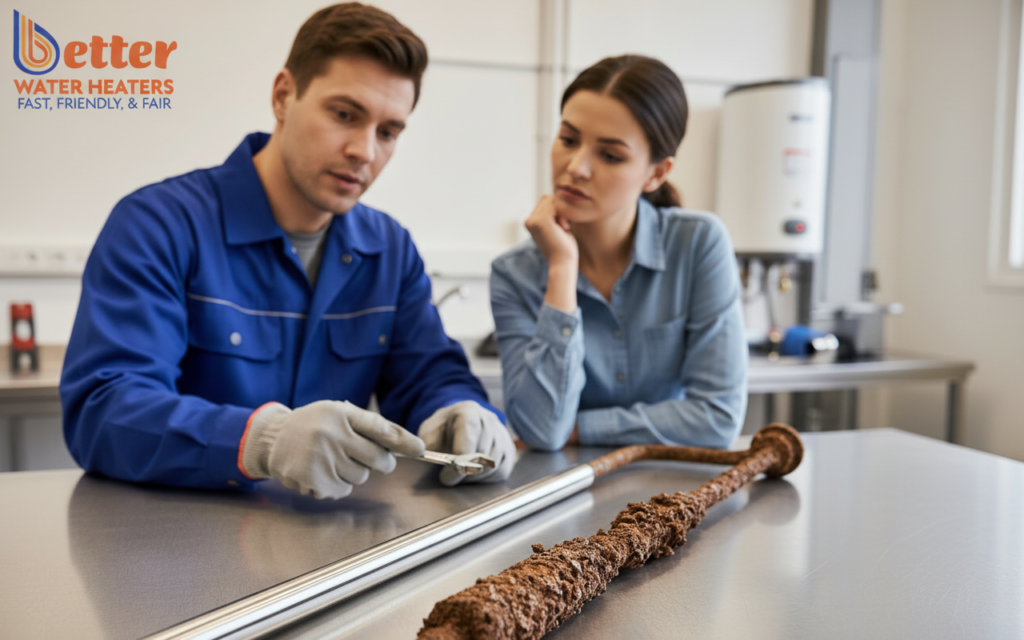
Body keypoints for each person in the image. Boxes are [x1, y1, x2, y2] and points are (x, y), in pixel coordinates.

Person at [60, 3, 515, 499]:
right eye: (344, 114)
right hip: (177, 553)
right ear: (283, 96)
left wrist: (463, 413)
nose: (365, 151)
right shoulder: (159, 225)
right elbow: (102, 411)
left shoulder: (390, 250)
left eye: (387, 132)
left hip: (334, 553)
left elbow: (430, 376)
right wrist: (261, 440)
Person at [490, 55, 747, 452]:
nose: (576, 168)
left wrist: (581, 429)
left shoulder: (698, 245)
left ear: (656, 173)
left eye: (610, 155)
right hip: (567, 499)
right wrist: (562, 268)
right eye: (568, 140)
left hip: (674, 495)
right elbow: (542, 432)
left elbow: (717, 419)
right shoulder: (515, 274)